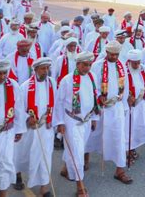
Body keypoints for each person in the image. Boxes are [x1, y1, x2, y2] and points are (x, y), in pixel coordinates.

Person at [86, 41, 132, 184]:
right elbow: (92, 86)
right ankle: (84, 158)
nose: (114, 57)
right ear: (106, 53)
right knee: (91, 134)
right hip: (101, 108)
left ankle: (120, 170)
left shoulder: (122, 65)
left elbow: (125, 86)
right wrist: (99, 97)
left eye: (116, 54)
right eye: (111, 54)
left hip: (116, 107)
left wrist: (125, 105)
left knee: (119, 137)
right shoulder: (97, 66)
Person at [55, 52, 100, 196]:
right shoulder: (67, 80)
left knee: (76, 149)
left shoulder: (92, 77)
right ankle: (80, 186)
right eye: (84, 65)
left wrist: (94, 118)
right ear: (77, 64)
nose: (87, 68)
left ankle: (65, 169)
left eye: (89, 65)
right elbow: (59, 102)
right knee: (77, 153)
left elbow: (95, 98)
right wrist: (60, 122)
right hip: (71, 122)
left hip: (86, 121)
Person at [14, 57, 57, 196]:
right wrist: (28, 118)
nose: (45, 71)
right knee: (24, 154)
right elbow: (19, 108)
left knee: (45, 156)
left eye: (47, 68)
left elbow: (55, 104)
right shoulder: (25, 86)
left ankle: (44, 187)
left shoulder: (51, 83)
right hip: (31, 130)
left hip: (46, 127)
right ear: (36, 69)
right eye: (42, 68)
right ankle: (17, 173)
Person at [0, 60, 25, 197]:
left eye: (4, 73)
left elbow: (18, 108)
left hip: (7, 133)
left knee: (5, 166)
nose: (2, 76)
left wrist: (19, 129)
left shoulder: (13, 85)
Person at [125, 49, 145, 165]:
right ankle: (127, 153)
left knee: (138, 128)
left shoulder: (142, 69)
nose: (136, 65)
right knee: (128, 130)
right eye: (134, 63)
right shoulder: (124, 72)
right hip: (129, 106)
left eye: (138, 62)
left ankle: (133, 149)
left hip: (140, 104)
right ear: (129, 61)